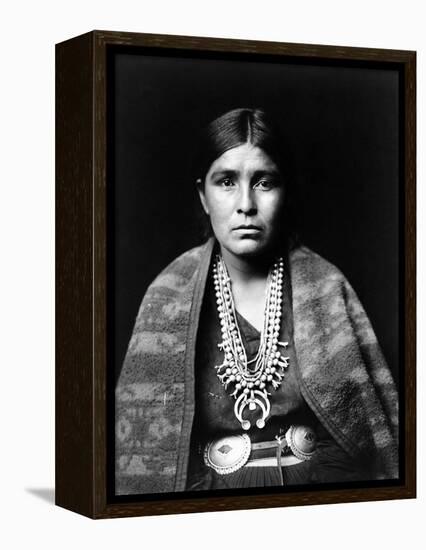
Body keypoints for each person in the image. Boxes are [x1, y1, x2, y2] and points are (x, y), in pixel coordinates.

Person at [115, 108, 399, 496]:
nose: (245, 203)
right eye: (226, 182)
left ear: (285, 192)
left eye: (264, 183)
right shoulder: (167, 297)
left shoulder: (326, 288)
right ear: (203, 195)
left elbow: (374, 439)